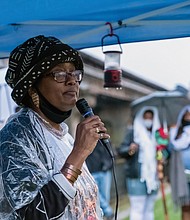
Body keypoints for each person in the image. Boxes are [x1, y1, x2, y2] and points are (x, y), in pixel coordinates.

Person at [0, 35, 110, 220]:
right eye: (59, 74)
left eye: (75, 74)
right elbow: (31, 215)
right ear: (31, 86)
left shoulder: (63, 137)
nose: (72, 81)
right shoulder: (15, 137)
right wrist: (79, 153)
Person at [117, 106, 161, 220]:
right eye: (146, 117)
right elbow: (121, 150)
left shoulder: (156, 135)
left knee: (149, 208)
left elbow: (162, 152)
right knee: (138, 208)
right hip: (136, 176)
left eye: (151, 118)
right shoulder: (133, 132)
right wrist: (130, 149)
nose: (148, 120)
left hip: (152, 177)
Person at [169, 105, 190, 220]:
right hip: (182, 174)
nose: (188, 117)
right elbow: (172, 147)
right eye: (186, 115)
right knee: (186, 205)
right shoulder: (176, 131)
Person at [86, 141, 114, 220]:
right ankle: (109, 212)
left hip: (104, 171)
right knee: (96, 196)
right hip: (92, 172)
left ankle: (105, 215)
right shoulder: (87, 138)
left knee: (105, 197)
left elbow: (111, 153)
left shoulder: (104, 139)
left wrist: (108, 165)